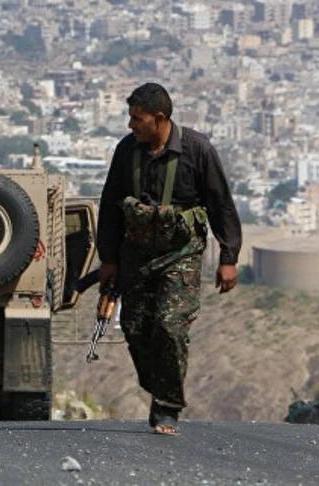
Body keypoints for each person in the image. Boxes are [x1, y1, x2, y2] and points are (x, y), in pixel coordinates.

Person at [96, 82, 242, 436]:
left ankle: (167, 407)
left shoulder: (197, 150)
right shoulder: (127, 151)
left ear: (159, 118)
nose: (132, 125)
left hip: (181, 254)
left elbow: (220, 203)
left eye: (138, 119)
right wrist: (109, 259)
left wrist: (228, 256)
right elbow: (111, 204)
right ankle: (159, 386)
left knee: (169, 325)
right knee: (135, 327)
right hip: (136, 255)